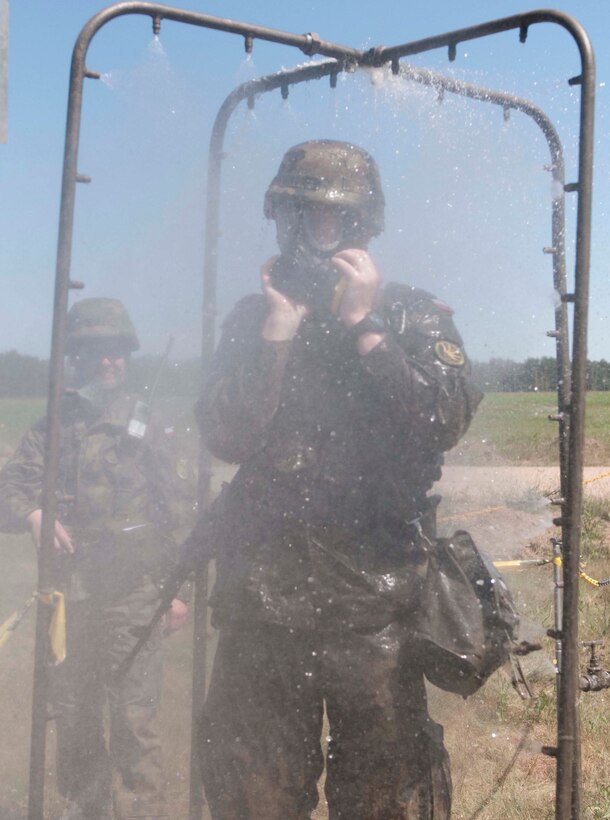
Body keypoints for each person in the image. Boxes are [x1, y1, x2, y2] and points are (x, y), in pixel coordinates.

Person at [195, 140, 482, 819]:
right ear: (281, 221)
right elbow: (224, 435)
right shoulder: (254, 320)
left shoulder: (412, 315)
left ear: (361, 229)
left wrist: (365, 325)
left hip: (375, 607)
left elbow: (440, 419)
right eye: (301, 218)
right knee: (253, 791)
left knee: (386, 794)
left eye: (334, 223)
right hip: (264, 605)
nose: (316, 237)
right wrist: (275, 338)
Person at [0, 298, 190, 820]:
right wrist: (35, 512)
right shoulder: (51, 428)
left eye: (117, 354)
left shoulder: (149, 424)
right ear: (77, 358)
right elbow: (7, 489)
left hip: (134, 597)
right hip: (70, 600)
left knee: (134, 724)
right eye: (95, 353)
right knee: (77, 719)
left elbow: (173, 513)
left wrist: (178, 591)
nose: (108, 363)